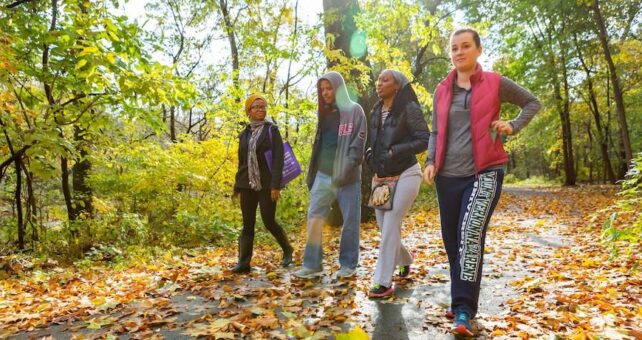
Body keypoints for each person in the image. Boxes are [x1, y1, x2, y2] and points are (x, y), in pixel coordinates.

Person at [422, 28, 541, 336]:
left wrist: (512, 125)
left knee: (469, 233)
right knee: (452, 241)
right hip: (447, 177)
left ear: (478, 50)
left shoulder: (495, 83)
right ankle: (457, 297)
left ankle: (464, 309)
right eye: (454, 48)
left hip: (486, 170)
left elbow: (531, 102)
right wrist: (430, 161)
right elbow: (435, 131)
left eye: (465, 46)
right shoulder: (442, 89)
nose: (458, 52)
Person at [293, 71, 367, 279]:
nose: (325, 93)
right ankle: (312, 264)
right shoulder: (323, 114)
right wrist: (313, 174)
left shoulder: (355, 111)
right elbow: (320, 145)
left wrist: (346, 169)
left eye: (329, 88)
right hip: (323, 176)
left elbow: (357, 145)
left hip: (348, 177)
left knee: (350, 221)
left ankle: (348, 264)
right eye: (322, 89)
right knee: (314, 218)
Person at [365, 70, 429, 297]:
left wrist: (395, 151)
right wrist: (370, 155)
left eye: (386, 80)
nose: (379, 83)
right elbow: (373, 141)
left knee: (391, 222)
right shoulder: (374, 111)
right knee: (385, 228)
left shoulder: (408, 108)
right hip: (382, 177)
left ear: (397, 86)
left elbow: (424, 139)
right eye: (379, 79)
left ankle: (382, 281)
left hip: (407, 173)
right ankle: (405, 258)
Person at [231, 94, 293, 274]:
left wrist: (276, 186)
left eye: (263, 107)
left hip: (267, 185)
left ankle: (287, 249)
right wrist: (237, 186)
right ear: (248, 111)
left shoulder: (272, 131)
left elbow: (278, 159)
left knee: (268, 221)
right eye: (256, 107)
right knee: (247, 223)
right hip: (246, 184)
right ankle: (244, 262)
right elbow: (242, 161)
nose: (261, 110)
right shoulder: (244, 134)